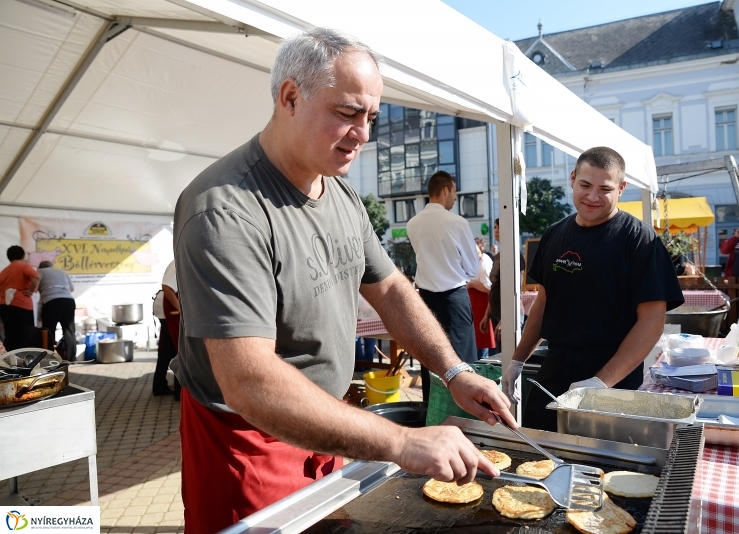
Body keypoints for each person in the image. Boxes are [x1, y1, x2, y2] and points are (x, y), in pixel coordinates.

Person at [171, 28, 512, 533]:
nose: (364, 134)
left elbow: (392, 288)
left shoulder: (340, 194)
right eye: (348, 113)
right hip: (249, 442)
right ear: (290, 97)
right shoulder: (226, 209)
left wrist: (454, 371)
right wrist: (401, 443)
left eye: (371, 117)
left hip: (327, 427)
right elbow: (250, 382)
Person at [503, 147, 684, 431]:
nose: (593, 196)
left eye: (605, 188)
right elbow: (543, 304)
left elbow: (652, 321)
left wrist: (600, 382)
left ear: (622, 188)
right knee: (540, 455)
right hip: (555, 371)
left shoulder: (638, 239)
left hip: (613, 380)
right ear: (572, 178)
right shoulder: (554, 234)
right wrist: (517, 360)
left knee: (602, 470)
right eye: (585, 185)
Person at [407, 170, 480, 401]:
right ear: (446, 190)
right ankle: (464, 418)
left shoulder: (412, 223)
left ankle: (433, 413)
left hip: (426, 300)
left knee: (432, 358)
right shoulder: (457, 222)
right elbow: (472, 269)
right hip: (455, 299)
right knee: (462, 360)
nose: (456, 198)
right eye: (455, 192)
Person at [479, 218, 525, 355]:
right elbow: (495, 287)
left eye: (500, 226)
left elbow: (516, 289)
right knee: (501, 356)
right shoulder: (498, 256)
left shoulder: (515, 256)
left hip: (510, 314)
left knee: (511, 356)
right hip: (496, 313)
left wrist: (507, 318)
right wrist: (486, 315)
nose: (496, 230)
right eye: (495, 227)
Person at [0, 246, 40, 352]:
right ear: (23, 256)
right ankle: (25, 362)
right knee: (26, 334)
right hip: (22, 305)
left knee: (10, 334)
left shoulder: (4, 271)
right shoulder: (24, 266)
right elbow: (36, 277)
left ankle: (11, 362)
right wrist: (31, 290)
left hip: (5, 306)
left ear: (8, 257)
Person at [37, 261, 76, 361]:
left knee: (49, 330)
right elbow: (72, 289)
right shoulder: (62, 272)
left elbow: (35, 288)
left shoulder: (39, 272)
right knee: (69, 330)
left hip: (51, 301)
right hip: (69, 301)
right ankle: (71, 358)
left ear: (40, 267)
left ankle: (50, 358)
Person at [153, 260, 178, 396]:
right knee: (174, 349)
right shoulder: (176, 263)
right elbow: (167, 287)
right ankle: (164, 387)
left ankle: (159, 385)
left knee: (167, 350)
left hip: (166, 311)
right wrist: (179, 308)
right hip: (168, 312)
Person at [466, 243, 494, 360]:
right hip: (473, 303)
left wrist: (472, 284)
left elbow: (489, 288)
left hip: (482, 304)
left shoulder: (484, 263)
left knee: (481, 341)